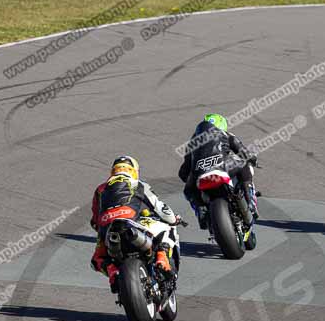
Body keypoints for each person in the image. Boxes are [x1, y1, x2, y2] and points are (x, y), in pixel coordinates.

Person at [90, 156, 178, 290]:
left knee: (96, 260)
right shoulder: (140, 184)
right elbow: (160, 208)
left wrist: (103, 231)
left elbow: (95, 220)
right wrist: (174, 219)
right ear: (134, 171)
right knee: (168, 228)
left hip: (108, 228)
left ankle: (112, 271)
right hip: (132, 224)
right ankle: (161, 257)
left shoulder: (100, 189)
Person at [178, 113, 259, 229]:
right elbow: (244, 152)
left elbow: (183, 173)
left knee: (188, 190)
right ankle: (250, 199)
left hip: (200, 176)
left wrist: (192, 176)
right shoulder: (227, 134)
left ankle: (201, 210)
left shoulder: (191, 143)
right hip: (222, 168)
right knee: (244, 163)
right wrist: (253, 159)